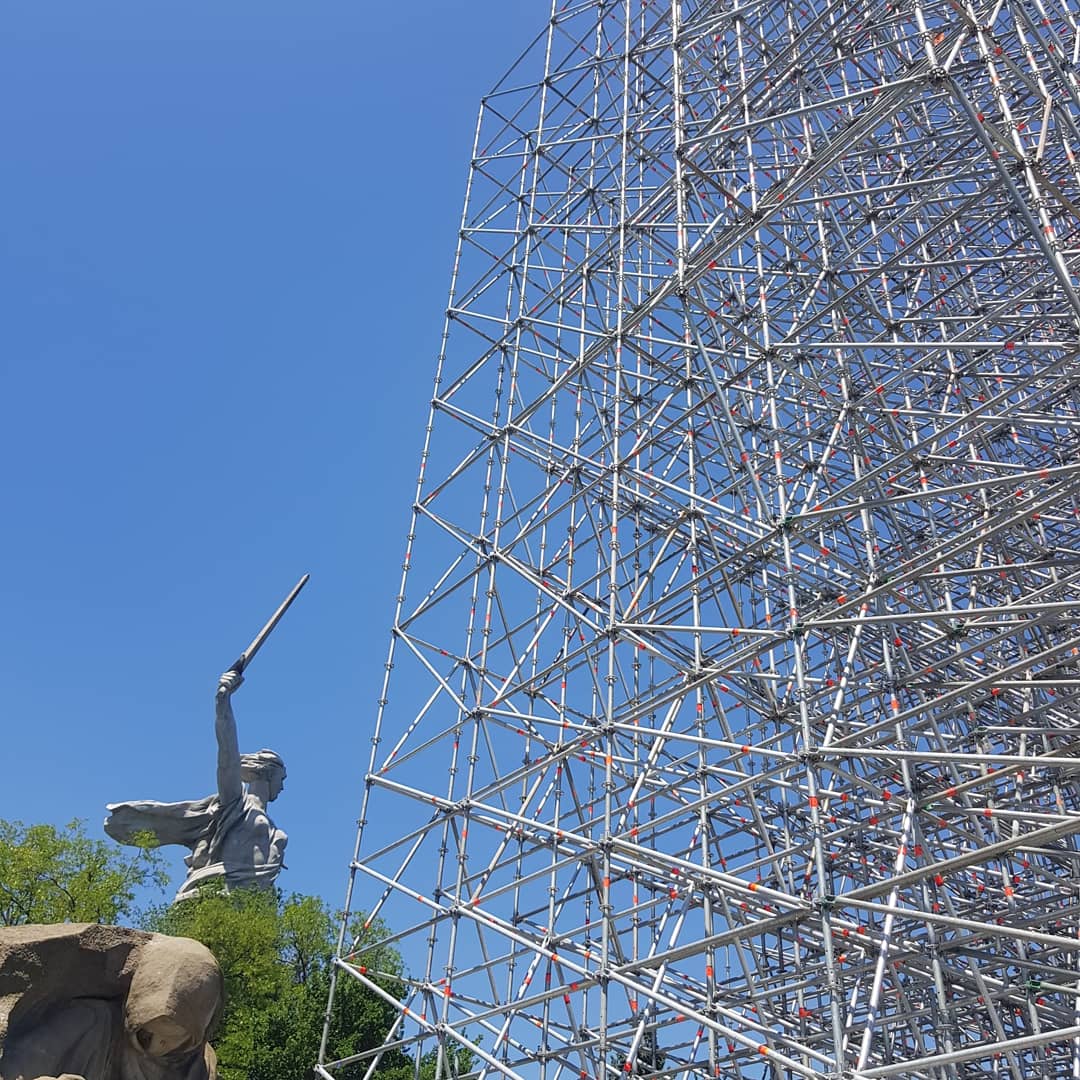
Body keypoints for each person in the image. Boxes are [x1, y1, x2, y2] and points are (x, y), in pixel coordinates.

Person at [105, 671, 287, 902]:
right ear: (268, 774)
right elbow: (227, 755)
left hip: (256, 906)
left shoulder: (270, 825)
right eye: (282, 779)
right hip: (218, 896)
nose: (282, 787)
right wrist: (223, 703)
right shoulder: (236, 803)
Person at [0, 922, 221, 1080]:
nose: (155, 1046)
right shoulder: (88, 1022)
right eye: (147, 1033)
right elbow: (15, 1067)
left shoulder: (199, 1066)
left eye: (171, 1040)